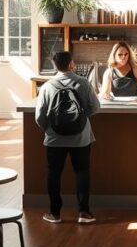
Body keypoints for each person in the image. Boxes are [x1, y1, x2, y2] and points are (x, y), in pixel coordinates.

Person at [36, 51, 101, 224]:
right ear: (72, 64)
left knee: (54, 174)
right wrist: (81, 118)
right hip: (81, 137)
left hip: (54, 139)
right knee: (82, 172)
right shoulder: (83, 83)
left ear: (55, 65)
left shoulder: (47, 86)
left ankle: (54, 213)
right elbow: (95, 107)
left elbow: (39, 116)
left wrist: (50, 129)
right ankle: (84, 213)